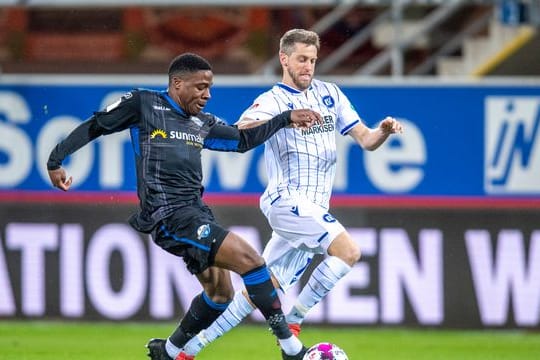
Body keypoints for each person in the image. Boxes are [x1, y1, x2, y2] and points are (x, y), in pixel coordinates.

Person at [46, 52, 322, 360]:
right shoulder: (144, 104)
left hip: (195, 211)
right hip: (169, 214)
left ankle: (169, 351)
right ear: (177, 83)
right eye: (201, 86)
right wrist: (56, 159)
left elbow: (241, 141)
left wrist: (284, 119)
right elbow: (96, 125)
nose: (207, 94)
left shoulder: (201, 123)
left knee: (220, 294)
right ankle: (291, 349)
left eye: (210, 87)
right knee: (252, 261)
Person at [178, 29, 404, 359]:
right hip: (286, 199)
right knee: (349, 251)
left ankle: (189, 350)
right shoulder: (273, 100)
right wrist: (282, 121)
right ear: (284, 59)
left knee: (258, 291)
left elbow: (367, 141)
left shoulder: (331, 94)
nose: (309, 66)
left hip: (312, 209)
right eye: (302, 59)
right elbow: (241, 132)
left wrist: (382, 132)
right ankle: (295, 320)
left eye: (313, 60)